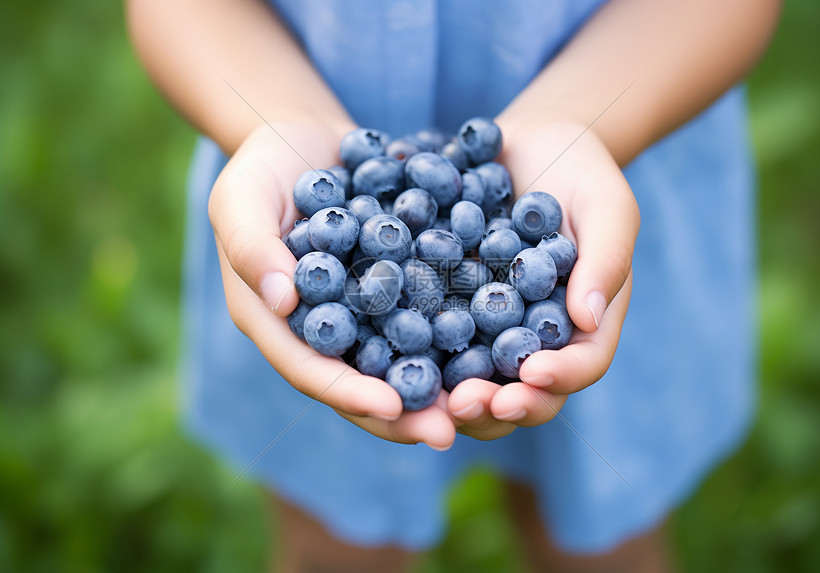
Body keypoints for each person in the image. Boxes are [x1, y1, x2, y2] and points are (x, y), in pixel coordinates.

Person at [128, 0, 781, 571]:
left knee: (603, 547)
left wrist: (581, 124)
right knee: (334, 548)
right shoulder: (337, 258)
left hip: (621, 173)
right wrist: (275, 121)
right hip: (291, 131)